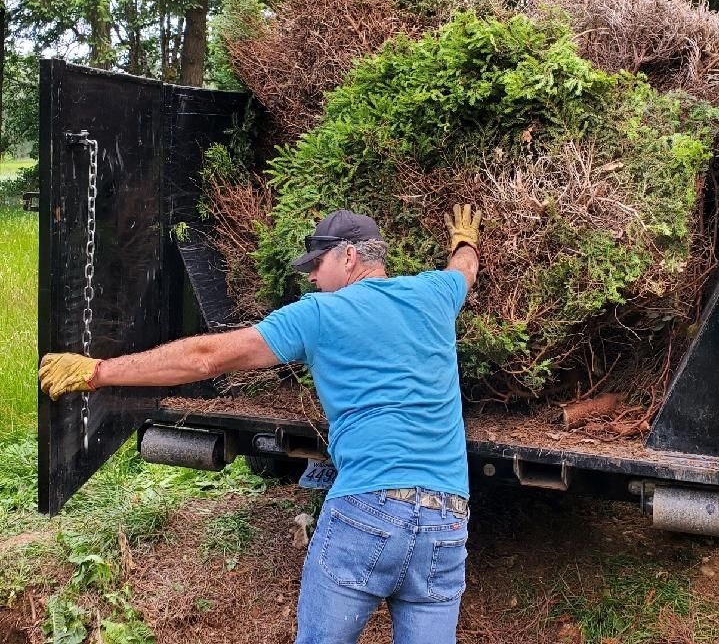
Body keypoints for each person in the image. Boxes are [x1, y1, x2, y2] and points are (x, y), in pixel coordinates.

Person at [39, 203, 482, 644]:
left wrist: (98, 373)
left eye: (317, 264)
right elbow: (465, 270)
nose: (311, 277)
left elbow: (205, 357)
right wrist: (465, 241)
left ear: (348, 256)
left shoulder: (319, 315)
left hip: (370, 507)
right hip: (447, 521)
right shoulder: (434, 294)